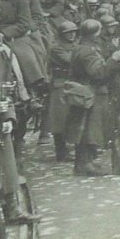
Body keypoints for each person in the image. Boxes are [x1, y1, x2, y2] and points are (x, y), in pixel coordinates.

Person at [68, 18, 113, 177]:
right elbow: (98, 72)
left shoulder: (81, 46)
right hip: (91, 92)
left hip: (86, 91)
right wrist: (113, 61)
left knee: (86, 128)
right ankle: (85, 164)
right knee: (89, 129)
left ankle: (86, 162)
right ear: (96, 33)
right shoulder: (88, 51)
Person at [45, 18, 80, 160]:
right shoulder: (57, 47)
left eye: (73, 32)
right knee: (59, 120)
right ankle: (61, 151)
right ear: (62, 34)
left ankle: (69, 149)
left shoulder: (74, 45)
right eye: (68, 33)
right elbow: (71, 60)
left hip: (71, 82)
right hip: (60, 83)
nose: (72, 35)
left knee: (71, 117)